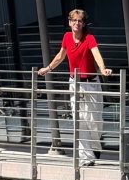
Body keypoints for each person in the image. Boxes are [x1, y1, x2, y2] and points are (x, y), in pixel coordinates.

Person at [38, 9, 112, 166]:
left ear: (83, 23)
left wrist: (103, 68)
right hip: (74, 83)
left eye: (80, 21)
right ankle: (86, 158)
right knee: (79, 120)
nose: (77, 23)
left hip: (91, 83)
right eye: (74, 20)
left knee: (94, 120)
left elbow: (96, 54)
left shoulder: (89, 38)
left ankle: (96, 144)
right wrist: (47, 68)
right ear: (69, 22)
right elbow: (60, 56)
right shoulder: (66, 37)